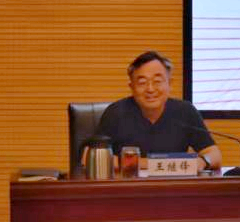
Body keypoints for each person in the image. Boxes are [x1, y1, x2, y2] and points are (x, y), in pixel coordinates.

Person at [95, 50, 223, 173]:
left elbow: (214, 154)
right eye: (142, 82)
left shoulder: (185, 111)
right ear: (132, 87)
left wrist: (202, 162)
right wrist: (152, 164)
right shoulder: (115, 113)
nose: (150, 89)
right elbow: (92, 157)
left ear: (169, 83)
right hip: (129, 185)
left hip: (174, 185)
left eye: (157, 81)